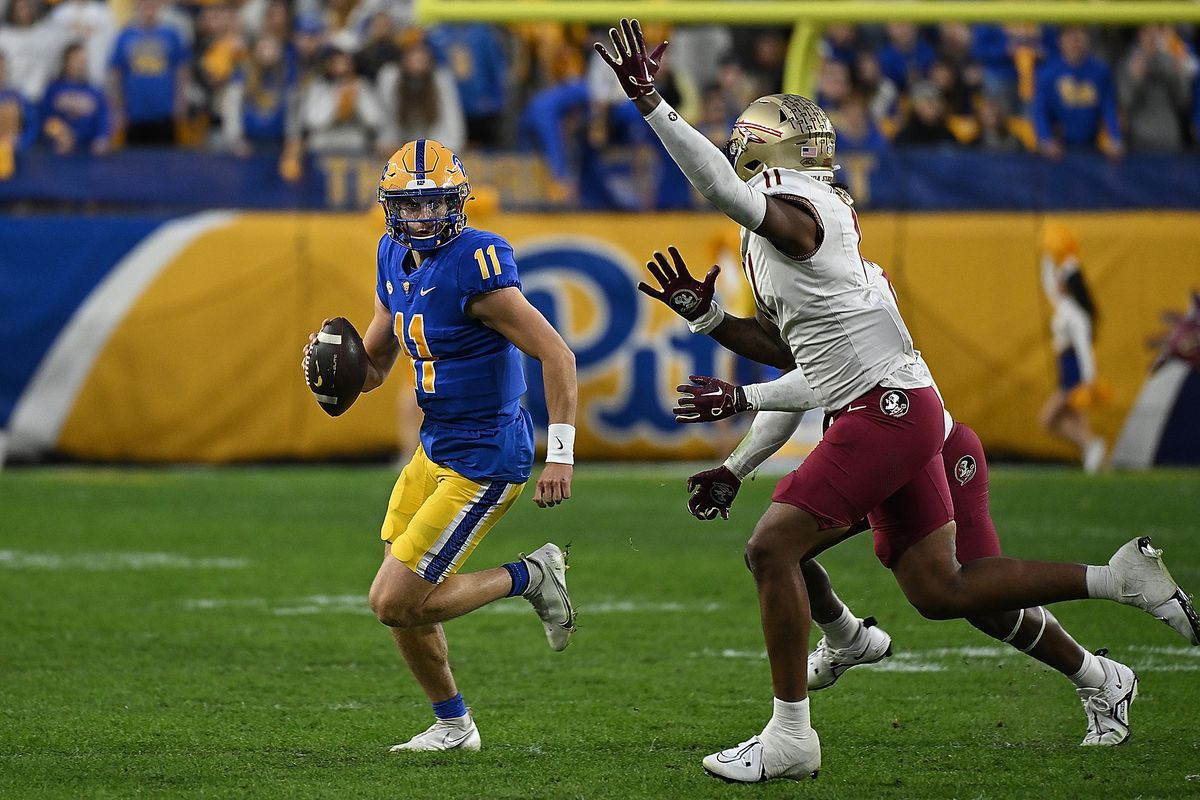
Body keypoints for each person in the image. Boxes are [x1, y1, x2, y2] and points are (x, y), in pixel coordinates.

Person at [595, 18, 1199, 783]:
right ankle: (1111, 603)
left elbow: (721, 191)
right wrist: (716, 333)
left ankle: (796, 727)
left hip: (891, 412)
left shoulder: (794, 209)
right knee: (942, 590)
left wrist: (653, 105)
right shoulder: (794, 227)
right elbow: (803, 358)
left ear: (756, 150)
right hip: (892, 409)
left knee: (774, 547)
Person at [648, 251, 1141, 747]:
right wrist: (736, 467)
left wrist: (739, 397)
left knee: (961, 592)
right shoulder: (795, 278)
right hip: (878, 441)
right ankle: (849, 640)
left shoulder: (839, 282)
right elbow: (797, 376)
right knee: (780, 551)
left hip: (917, 442)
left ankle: (1103, 639)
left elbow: (819, 381)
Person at [301, 139, 578, 752]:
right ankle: (453, 725)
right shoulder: (391, 256)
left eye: (434, 205)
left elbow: (557, 354)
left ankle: (531, 576)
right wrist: (339, 373)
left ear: (457, 203)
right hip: (436, 448)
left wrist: (560, 451)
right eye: (409, 206)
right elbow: (376, 361)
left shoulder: (476, 264)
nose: (421, 218)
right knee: (402, 598)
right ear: (390, 208)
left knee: (394, 601)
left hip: (487, 455)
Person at [1038, 222, 1107, 474]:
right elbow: (1047, 285)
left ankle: (1092, 447)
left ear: (1069, 284)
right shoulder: (1065, 305)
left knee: (1048, 419)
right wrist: (1048, 254)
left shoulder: (1078, 315)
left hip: (1074, 368)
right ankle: (1092, 450)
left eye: (1061, 279)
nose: (1057, 282)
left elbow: (1083, 348)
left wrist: (1089, 381)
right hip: (1065, 366)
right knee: (1075, 420)